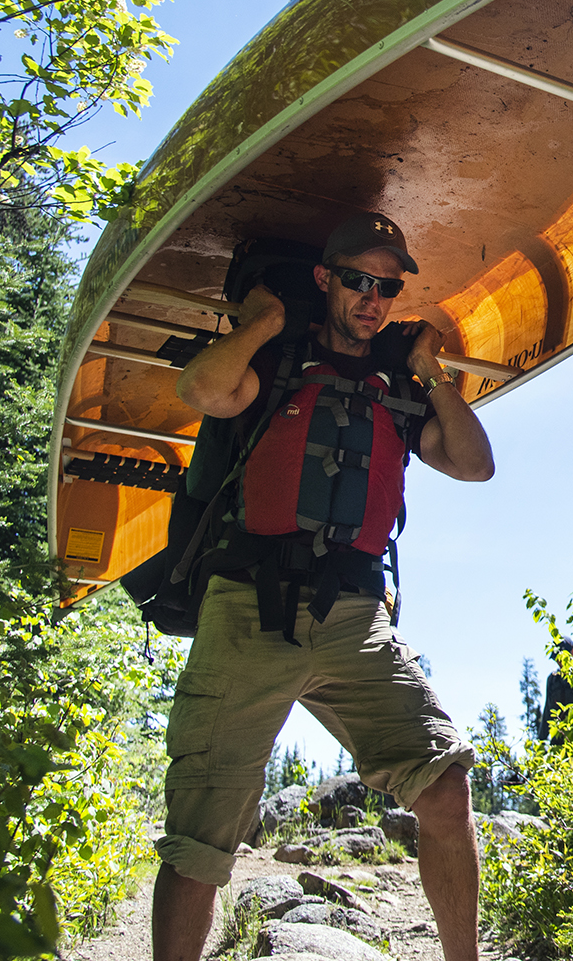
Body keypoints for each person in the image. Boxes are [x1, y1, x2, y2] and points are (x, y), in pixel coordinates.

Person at [152, 212, 495, 961]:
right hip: (248, 610)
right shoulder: (277, 363)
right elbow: (202, 389)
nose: (372, 297)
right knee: (201, 838)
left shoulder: (400, 391)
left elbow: (475, 464)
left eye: (387, 287)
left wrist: (432, 371)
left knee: (445, 788)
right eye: (357, 280)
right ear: (325, 279)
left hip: (354, 621)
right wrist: (264, 323)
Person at [536, 637, 573, 745]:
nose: (560, 662)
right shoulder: (553, 679)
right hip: (558, 741)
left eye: (562, 657)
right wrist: (541, 742)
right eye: (557, 659)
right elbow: (547, 711)